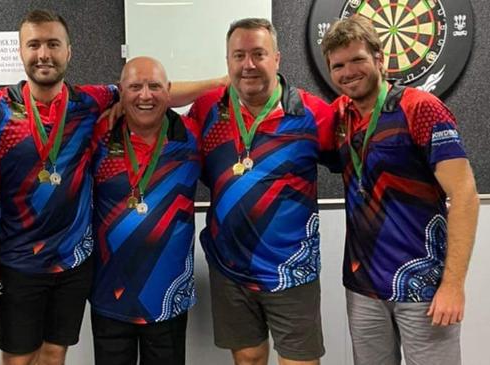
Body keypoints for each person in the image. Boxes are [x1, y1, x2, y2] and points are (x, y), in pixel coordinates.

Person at [0, 9, 223, 365]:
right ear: (21, 51)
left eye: (52, 44)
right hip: (19, 262)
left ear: (68, 51)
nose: (43, 54)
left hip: (73, 262)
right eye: (34, 45)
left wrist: (224, 84)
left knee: (53, 355)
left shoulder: (89, 102)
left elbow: (157, 94)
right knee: (18, 359)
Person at [321, 15, 479, 365]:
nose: (348, 72)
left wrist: (453, 286)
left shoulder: (420, 108)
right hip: (363, 289)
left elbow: (465, 195)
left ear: (379, 58)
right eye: (338, 65)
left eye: (357, 59)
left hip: (424, 287)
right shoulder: (340, 116)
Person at [188, 18, 337, 365]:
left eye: (258, 54)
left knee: (299, 361)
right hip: (230, 268)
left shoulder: (313, 112)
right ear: (227, 62)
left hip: (292, 270)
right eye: (238, 55)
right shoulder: (207, 108)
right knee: (249, 358)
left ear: (277, 59)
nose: (248, 64)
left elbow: (355, 163)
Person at [89, 56, 200, 365]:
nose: (145, 95)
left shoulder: (193, 136)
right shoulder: (98, 134)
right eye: (135, 87)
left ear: (169, 91)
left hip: (167, 296)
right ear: (121, 93)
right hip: (109, 293)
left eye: (154, 86)